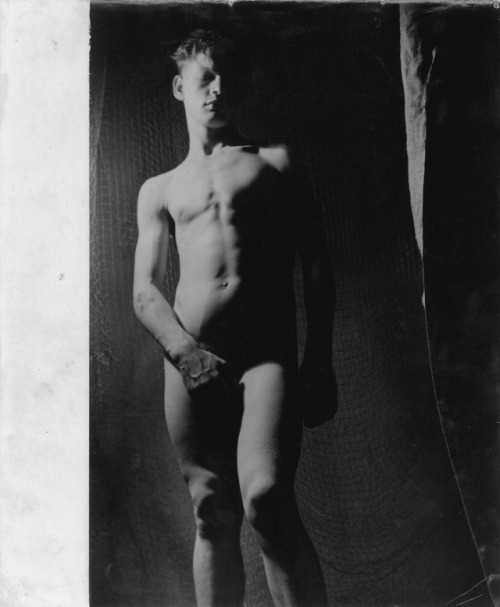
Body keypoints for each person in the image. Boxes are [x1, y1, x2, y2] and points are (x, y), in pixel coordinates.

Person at [133, 29, 337, 607]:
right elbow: (145, 290)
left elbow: (317, 264)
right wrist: (186, 353)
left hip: (265, 358)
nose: (218, 89)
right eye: (205, 78)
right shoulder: (159, 189)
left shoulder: (275, 161)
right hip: (189, 362)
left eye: (227, 77)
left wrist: (319, 359)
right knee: (210, 510)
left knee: (266, 499)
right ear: (180, 88)